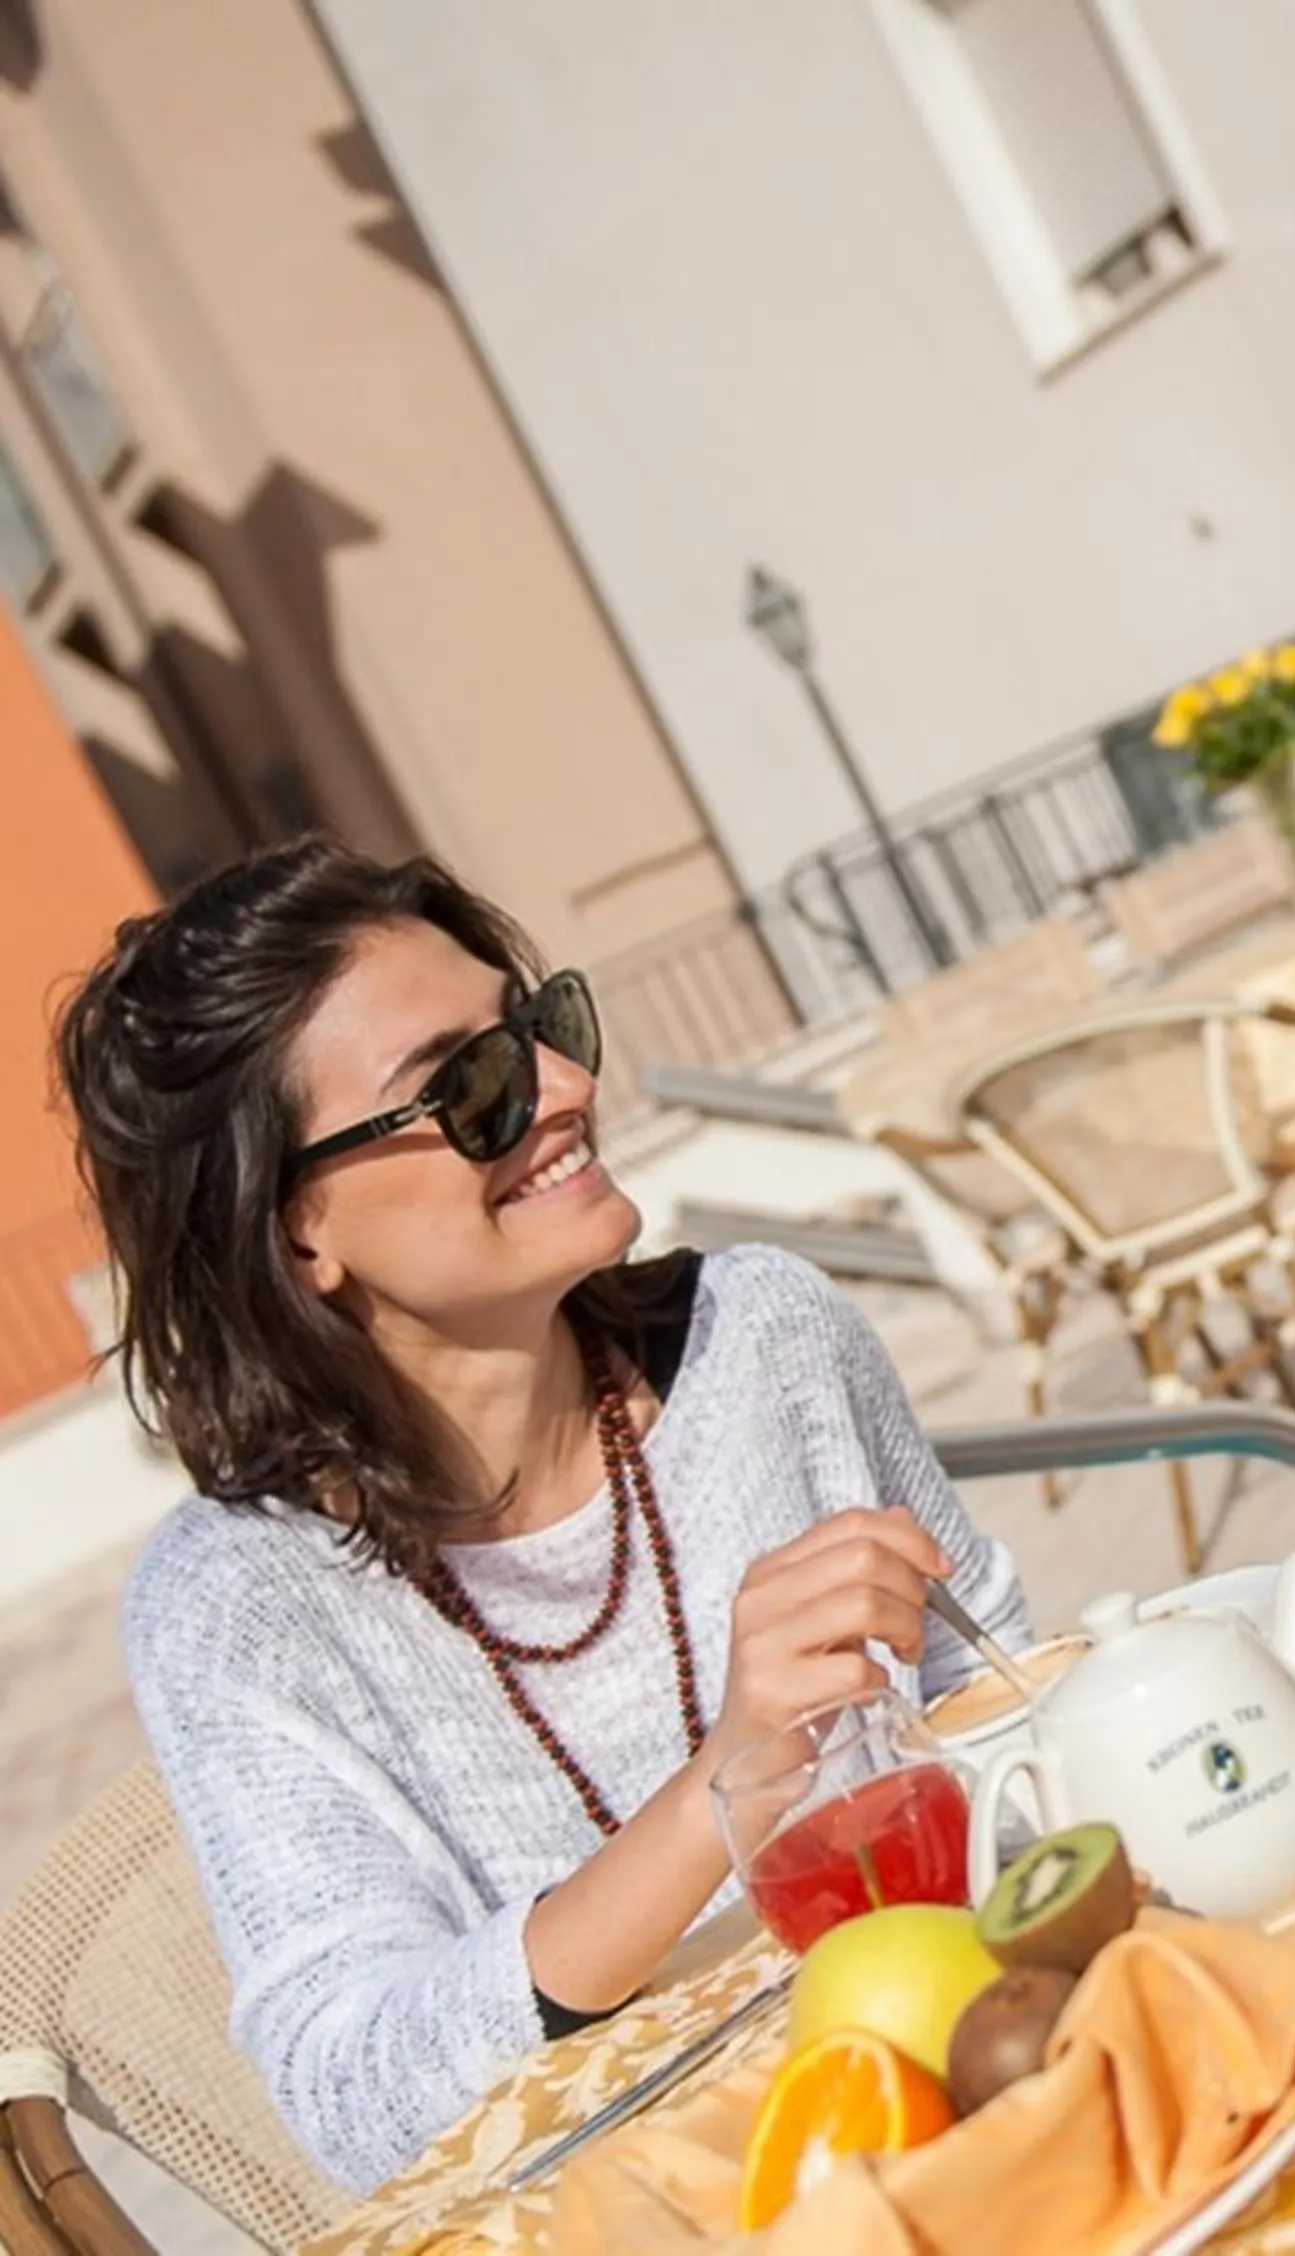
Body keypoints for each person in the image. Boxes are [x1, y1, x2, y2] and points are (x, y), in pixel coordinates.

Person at [57, 839, 1033, 2193]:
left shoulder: (767, 1336)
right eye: (468, 1087)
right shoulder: (242, 1602)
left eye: (537, 1029)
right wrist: (727, 1782)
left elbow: (1001, 1685)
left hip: (985, 2075)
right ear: (296, 1235)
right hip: (648, 2206)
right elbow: (355, 2092)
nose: (567, 1091)